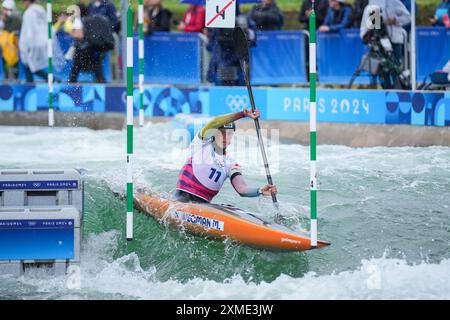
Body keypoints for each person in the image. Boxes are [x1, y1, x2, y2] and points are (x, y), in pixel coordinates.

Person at [174, 109, 277, 204]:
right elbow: (215, 121)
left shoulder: (231, 164)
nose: (225, 137)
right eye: (222, 133)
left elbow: (242, 189)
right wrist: (243, 114)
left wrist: (260, 191)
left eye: (229, 134)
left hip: (204, 206)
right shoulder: (201, 143)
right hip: (181, 200)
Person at [19, 0, 48, 82]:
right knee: (31, 66)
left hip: (31, 43)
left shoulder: (28, 13)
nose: (22, 3)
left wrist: (26, 46)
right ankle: (51, 79)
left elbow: (29, 32)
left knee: (30, 66)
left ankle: (51, 79)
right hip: (40, 42)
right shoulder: (40, 10)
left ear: (28, 1)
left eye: (24, 1)